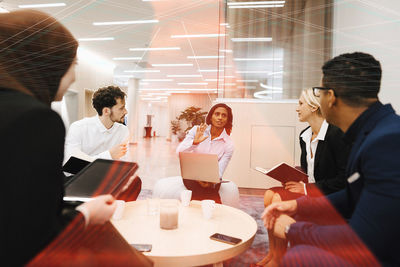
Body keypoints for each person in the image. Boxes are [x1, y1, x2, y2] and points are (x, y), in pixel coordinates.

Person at [0, 10, 117, 266]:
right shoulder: (34, 120)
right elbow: (33, 237)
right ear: (45, 61)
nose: (74, 75)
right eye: (72, 63)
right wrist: (87, 214)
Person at [263, 52, 400, 267]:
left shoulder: (386, 141)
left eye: (319, 92)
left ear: (331, 97)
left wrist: (292, 228)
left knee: (298, 256)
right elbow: (353, 192)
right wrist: (299, 206)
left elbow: (364, 240)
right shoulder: (373, 131)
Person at [258, 88, 350, 266]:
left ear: (314, 107)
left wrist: (307, 188)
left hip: (328, 196)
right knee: (269, 194)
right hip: (310, 189)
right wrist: (290, 176)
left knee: (277, 199)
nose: (297, 108)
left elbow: (343, 179)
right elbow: (310, 172)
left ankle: (278, 261)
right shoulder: (304, 136)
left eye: (300, 103)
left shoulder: (336, 134)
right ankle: (273, 253)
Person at [153, 103, 239, 207]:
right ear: (211, 117)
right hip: (192, 175)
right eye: (217, 114)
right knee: (203, 190)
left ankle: (194, 211)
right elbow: (179, 152)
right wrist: (195, 143)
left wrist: (211, 181)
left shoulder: (229, 143)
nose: (220, 118)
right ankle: (217, 208)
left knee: (208, 189)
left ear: (227, 120)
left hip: (212, 179)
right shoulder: (197, 130)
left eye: (224, 115)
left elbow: (220, 170)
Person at [65, 86, 129, 162]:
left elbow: (125, 161)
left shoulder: (123, 130)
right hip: (81, 174)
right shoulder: (79, 127)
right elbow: (71, 162)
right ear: (106, 111)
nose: (125, 112)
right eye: (121, 108)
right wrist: (109, 155)